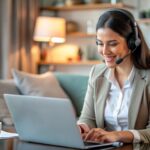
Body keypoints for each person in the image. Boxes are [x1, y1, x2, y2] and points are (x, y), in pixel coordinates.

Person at [77, 8, 150, 144]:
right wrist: (81, 128)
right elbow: (89, 118)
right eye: (100, 43)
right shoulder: (96, 73)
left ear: (132, 43)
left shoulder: (147, 78)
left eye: (113, 44)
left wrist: (118, 135)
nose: (105, 51)